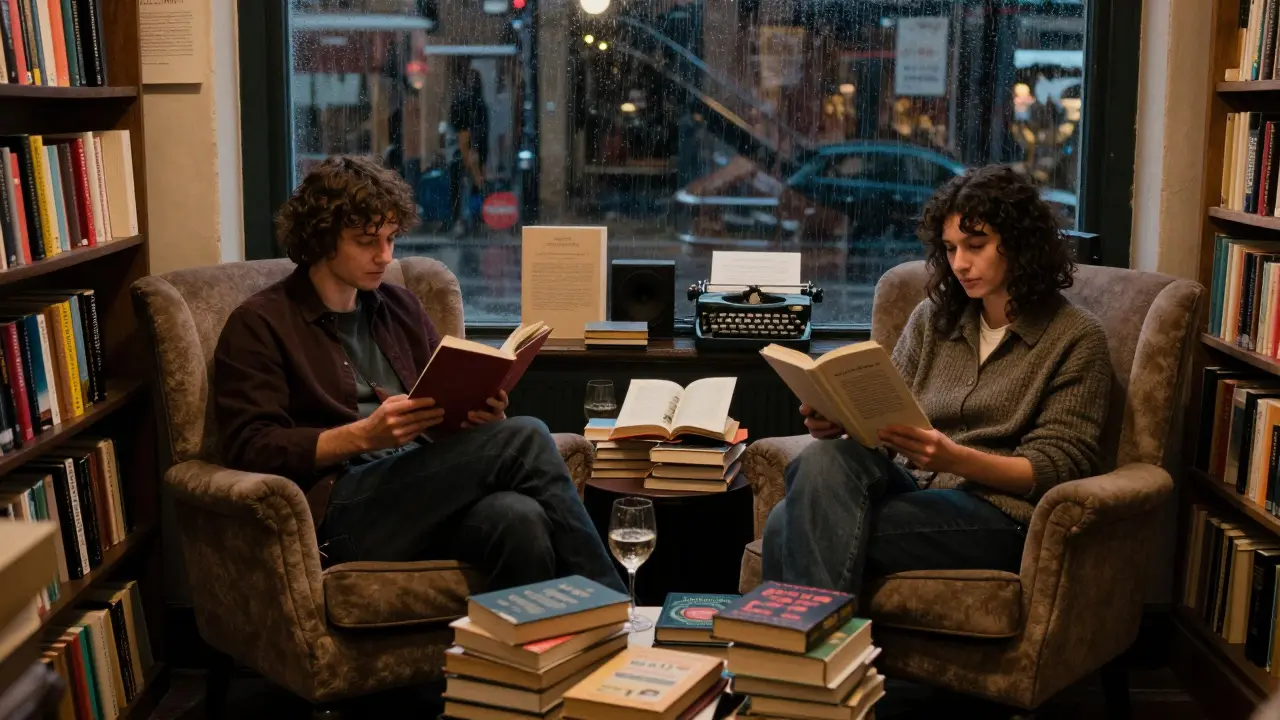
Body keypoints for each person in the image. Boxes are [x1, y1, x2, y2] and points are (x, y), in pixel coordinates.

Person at [213, 155, 625, 593]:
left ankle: (531, 656)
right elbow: (249, 446)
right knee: (526, 436)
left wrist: (481, 415)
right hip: (345, 509)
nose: (385, 256)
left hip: (423, 492)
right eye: (367, 241)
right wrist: (362, 436)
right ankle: (611, 601)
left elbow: (439, 403)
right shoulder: (260, 323)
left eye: (391, 239)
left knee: (518, 519)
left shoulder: (399, 307)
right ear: (320, 237)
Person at [761, 164, 1113, 602]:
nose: (961, 263)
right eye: (950, 249)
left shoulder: (1076, 336)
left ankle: (806, 662)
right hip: (914, 488)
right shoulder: (933, 318)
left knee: (783, 526)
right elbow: (888, 429)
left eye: (976, 245)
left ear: (1021, 245)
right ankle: (823, 661)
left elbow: (1057, 467)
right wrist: (842, 421)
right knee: (825, 458)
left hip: (998, 514)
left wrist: (954, 457)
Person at [448, 67, 489, 235]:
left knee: (467, 188)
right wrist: (472, 158)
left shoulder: (466, 103)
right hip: (468, 154)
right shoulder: (472, 104)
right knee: (468, 187)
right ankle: (466, 221)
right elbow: (465, 135)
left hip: (468, 153)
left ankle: (466, 221)